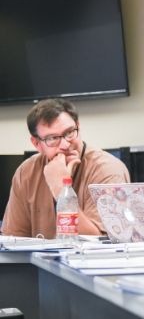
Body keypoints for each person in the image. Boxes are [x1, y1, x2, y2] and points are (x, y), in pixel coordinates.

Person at [2, 98, 130, 238]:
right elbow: (13, 240)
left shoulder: (108, 169)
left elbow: (99, 243)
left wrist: (61, 189)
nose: (65, 144)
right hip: (37, 260)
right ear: (37, 144)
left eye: (69, 132)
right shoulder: (25, 172)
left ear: (78, 127)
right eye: (52, 138)